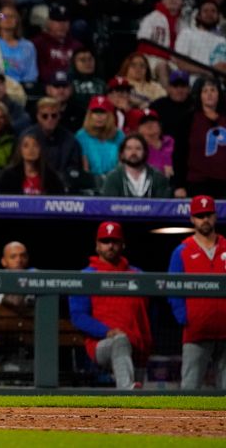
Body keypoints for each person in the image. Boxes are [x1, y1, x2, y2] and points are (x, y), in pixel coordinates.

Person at [69, 221, 152, 389]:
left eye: (115, 241)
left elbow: (144, 315)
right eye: (105, 242)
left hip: (136, 344)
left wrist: (146, 343)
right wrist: (107, 332)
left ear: (123, 245)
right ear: (97, 246)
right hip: (102, 344)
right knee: (119, 341)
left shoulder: (137, 274)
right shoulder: (87, 276)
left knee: (139, 403)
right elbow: (78, 316)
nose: (110, 246)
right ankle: (126, 389)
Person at [168, 195, 226, 389]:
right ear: (192, 219)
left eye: (208, 214)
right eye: (200, 215)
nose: (205, 220)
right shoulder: (182, 251)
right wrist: (186, 318)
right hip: (196, 332)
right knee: (190, 390)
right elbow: (173, 290)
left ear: (215, 216)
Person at [172, 79, 226, 198]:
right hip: (197, 184)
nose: (209, 94)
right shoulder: (188, 119)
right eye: (205, 91)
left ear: (220, 94)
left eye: (213, 90)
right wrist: (179, 185)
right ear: (199, 95)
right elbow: (179, 154)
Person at [24, 96, 83, 188]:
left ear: (59, 116)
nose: (50, 119)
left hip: (62, 186)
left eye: (54, 115)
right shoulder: (26, 137)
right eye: (45, 116)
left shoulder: (70, 140)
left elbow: (74, 169)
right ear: (38, 117)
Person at [101, 134, 172, 197]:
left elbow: (163, 207)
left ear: (145, 153)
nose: (133, 152)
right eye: (129, 148)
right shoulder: (113, 178)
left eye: (138, 148)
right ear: (122, 154)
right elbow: (108, 207)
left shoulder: (158, 177)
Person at [0, 134, 65, 195]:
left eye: (35, 145)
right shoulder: (8, 176)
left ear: (40, 150)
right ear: (20, 150)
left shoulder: (51, 177)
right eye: (26, 146)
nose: (31, 149)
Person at [75, 96, 125, 178]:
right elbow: (84, 167)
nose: (99, 116)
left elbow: (122, 163)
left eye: (103, 112)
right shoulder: (81, 136)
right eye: (95, 112)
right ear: (90, 115)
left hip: (115, 180)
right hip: (91, 181)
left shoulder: (119, 135)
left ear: (110, 115)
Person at [31, 5, 82, 84]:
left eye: (65, 21)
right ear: (48, 23)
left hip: (72, 86)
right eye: (57, 21)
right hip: (47, 86)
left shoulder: (77, 46)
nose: (62, 25)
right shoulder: (37, 44)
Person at [149, 69, 193, 142]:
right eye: (175, 86)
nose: (179, 90)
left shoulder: (195, 106)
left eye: (183, 86)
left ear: (188, 89)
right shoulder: (157, 106)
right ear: (169, 88)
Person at [133, 108, 174, 177]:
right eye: (144, 123)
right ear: (138, 129)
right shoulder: (135, 149)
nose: (149, 126)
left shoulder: (171, 142)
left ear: (160, 125)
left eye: (153, 121)